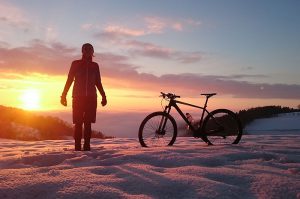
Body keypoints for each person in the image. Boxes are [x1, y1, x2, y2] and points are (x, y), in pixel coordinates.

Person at [60, 43, 107, 151]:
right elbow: (69, 80)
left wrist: (103, 96)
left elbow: (98, 82)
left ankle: (87, 147)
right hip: (78, 98)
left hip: (91, 98)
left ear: (92, 52)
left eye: (90, 50)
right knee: (78, 123)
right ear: (82, 51)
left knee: (88, 123)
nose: (88, 52)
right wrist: (64, 95)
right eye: (86, 50)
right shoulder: (75, 64)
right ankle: (77, 147)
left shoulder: (95, 66)